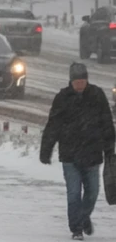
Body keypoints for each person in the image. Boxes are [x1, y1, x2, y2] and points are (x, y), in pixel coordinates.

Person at [40, 62, 115, 241]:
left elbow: (106, 122)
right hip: (70, 155)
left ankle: (83, 218)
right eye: (77, 82)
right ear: (71, 81)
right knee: (73, 193)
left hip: (92, 154)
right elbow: (53, 125)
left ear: (87, 80)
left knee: (92, 193)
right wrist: (46, 149)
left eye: (83, 81)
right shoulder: (63, 98)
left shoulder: (97, 95)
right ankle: (76, 229)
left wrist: (109, 147)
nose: (80, 85)